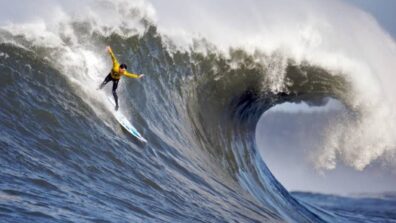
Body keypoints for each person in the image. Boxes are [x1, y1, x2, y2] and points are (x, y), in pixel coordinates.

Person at [99, 46, 144, 111]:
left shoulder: (124, 73)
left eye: (124, 70)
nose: (124, 71)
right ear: (120, 68)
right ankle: (99, 89)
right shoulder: (116, 65)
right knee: (103, 83)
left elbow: (131, 75)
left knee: (114, 92)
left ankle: (117, 105)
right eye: (123, 70)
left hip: (116, 80)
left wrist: (138, 76)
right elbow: (113, 57)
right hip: (110, 76)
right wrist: (109, 49)